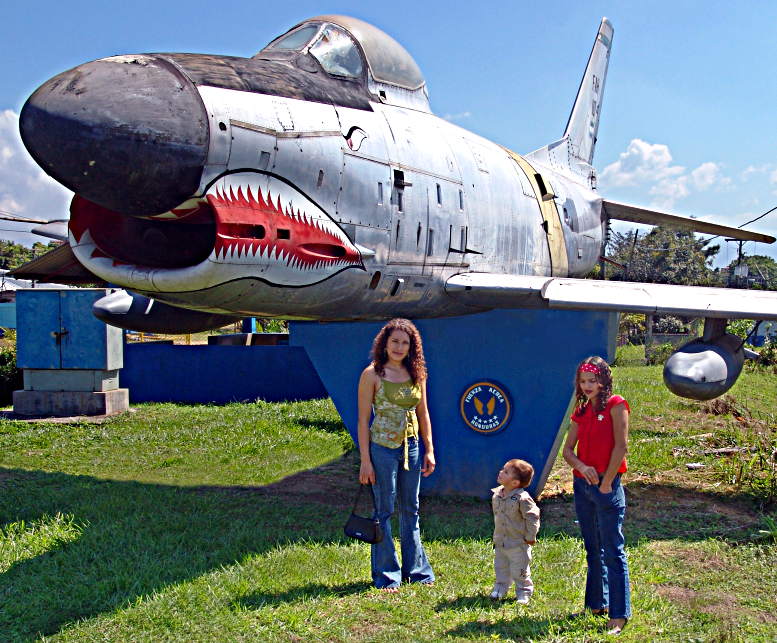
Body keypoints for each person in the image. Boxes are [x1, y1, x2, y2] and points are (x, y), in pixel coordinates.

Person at [357, 318, 436, 591]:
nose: (400, 347)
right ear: (385, 343)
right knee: (384, 509)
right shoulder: (371, 375)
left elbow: (423, 413)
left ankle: (417, 571)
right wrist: (365, 461)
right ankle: (387, 574)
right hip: (382, 449)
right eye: (395, 341)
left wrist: (429, 449)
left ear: (412, 346)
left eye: (405, 342)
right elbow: (363, 421)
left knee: (411, 508)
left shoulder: (417, 374)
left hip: (411, 448)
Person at [562, 356, 631, 635]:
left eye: (593, 380)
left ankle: (619, 614)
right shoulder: (581, 411)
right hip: (583, 486)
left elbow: (621, 446)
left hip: (607, 486)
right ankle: (596, 603)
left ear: (604, 380)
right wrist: (581, 466)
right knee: (593, 549)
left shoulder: (617, 405)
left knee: (613, 550)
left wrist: (606, 483)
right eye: (583, 381)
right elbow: (567, 450)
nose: (588, 385)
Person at [490, 459, 540, 605]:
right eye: (502, 469)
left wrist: (530, 536)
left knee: (520, 568)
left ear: (515, 483)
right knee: (501, 566)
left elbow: (533, 517)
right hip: (501, 541)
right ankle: (500, 587)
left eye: (506, 472)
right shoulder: (497, 494)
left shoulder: (522, 499)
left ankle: (523, 591)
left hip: (518, 542)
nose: (501, 472)